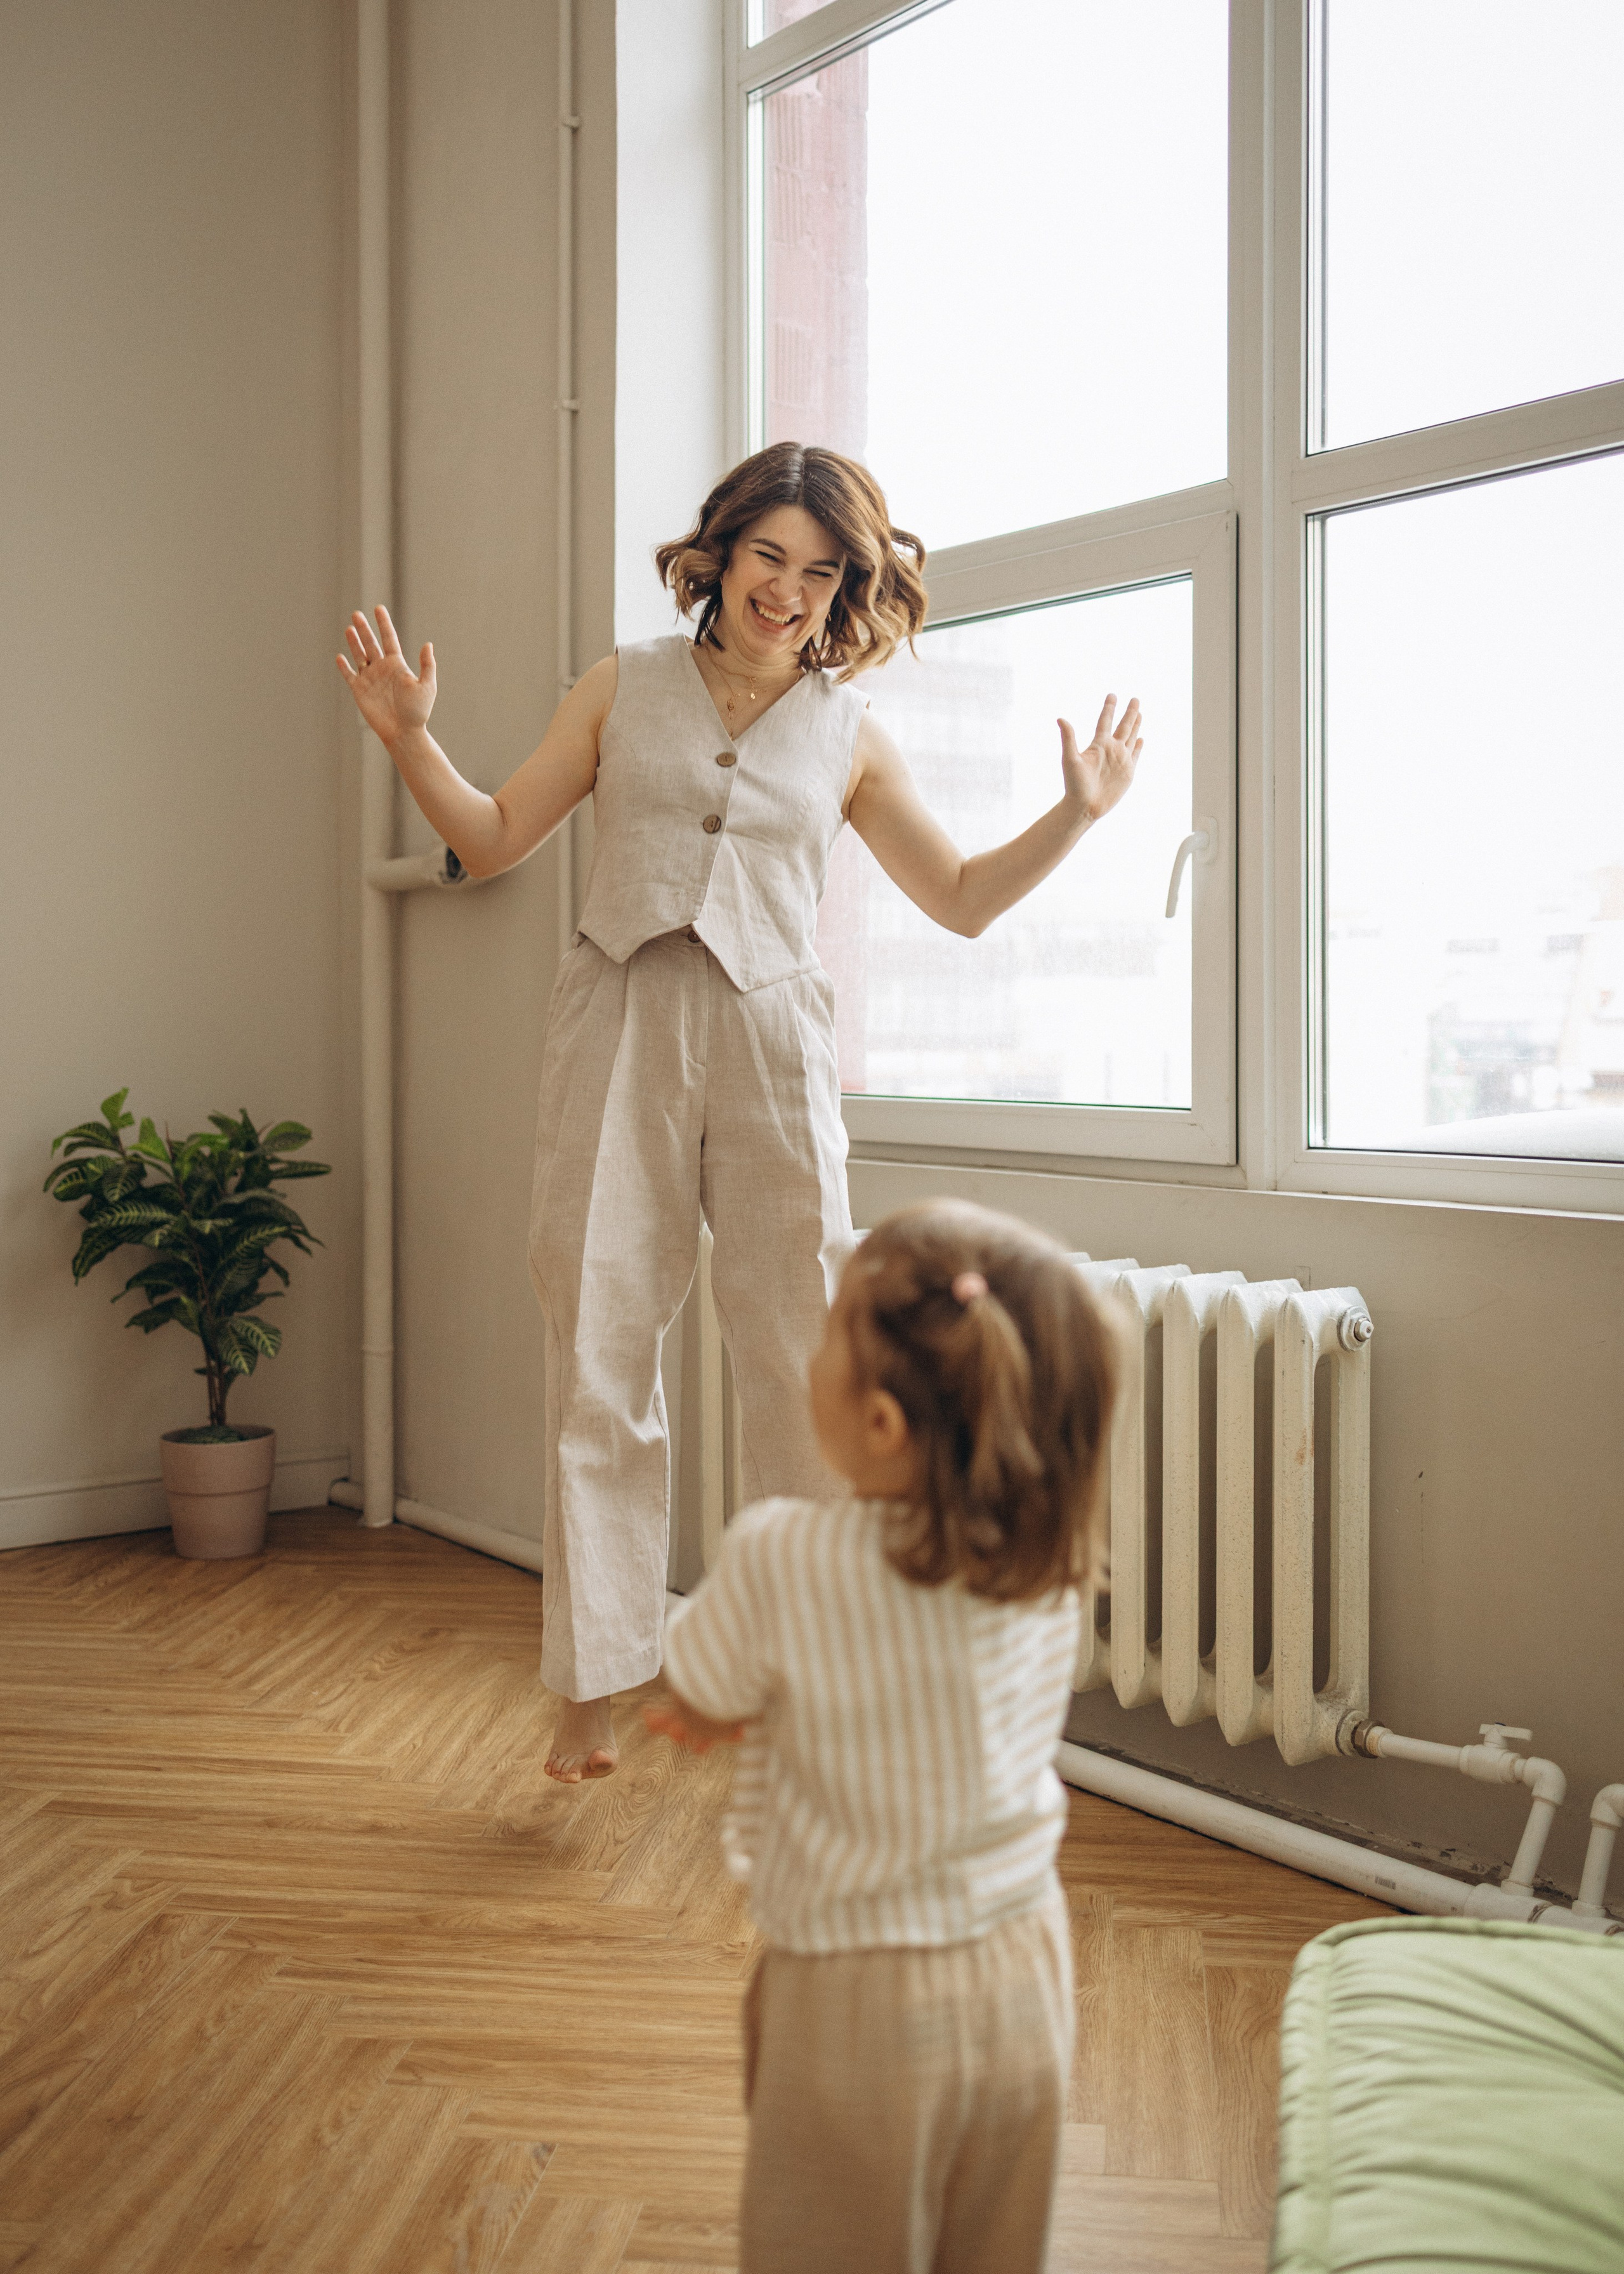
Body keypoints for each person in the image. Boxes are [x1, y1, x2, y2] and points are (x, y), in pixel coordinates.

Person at [337, 442, 1143, 1782]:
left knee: (808, 1368)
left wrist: (1075, 811)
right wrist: (411, 736)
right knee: (598, 1352)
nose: (789, 591)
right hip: (620, 1019)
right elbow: (488, 840)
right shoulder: (623, 684)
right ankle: (590, 1684)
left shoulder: (848, 735)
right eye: (770, 556)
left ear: (847, 591)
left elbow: (957, 898)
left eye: (822, 572)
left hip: (773, 1038)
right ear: (718, 552)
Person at [648, 1198, 1118, 2274]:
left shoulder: (781, 1554)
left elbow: (703, 1679)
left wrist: (702, 1709)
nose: (811, 1351)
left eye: (826, 1337)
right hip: (1023, 1969)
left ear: (882, 1426)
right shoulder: (1048, 1563)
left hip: (855, 1998)